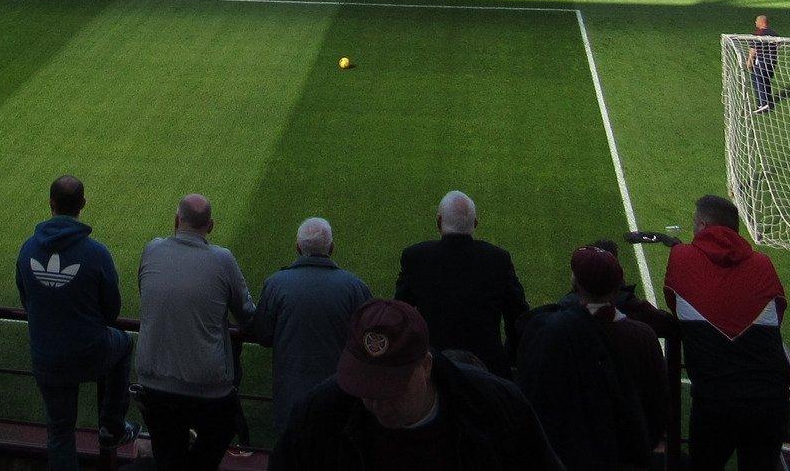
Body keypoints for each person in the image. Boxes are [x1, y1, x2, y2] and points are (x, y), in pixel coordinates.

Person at [271, 298, 562, 470]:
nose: (376, 402)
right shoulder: (319, 413)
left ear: (425, 365)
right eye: (364, 386)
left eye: (390, 388)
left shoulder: (497, 407)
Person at [16, 175, 139, 469]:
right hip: (90, 352)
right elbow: (111, 311)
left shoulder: (27, 249)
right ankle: (111, 424)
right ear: (83, 204)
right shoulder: (96, 253)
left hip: (47, 357)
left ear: (51, 203)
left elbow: (26, 300)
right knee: (124, 342)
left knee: (59, 432)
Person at [660, 196, 789, 471]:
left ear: (704, 225)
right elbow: (778, 312)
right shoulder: (763, 264)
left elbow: (674, 303)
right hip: (770, 401)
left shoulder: (681, 257)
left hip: (715, 402)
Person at [134, 194, 256, 469]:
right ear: (210, 226)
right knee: (221, 431)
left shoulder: (152, 249)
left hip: (153, 381)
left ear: (176, 221)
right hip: (206, 386)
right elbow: (247, 315)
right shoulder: (222, 259)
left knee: (167, 455)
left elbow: (147, 295)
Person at [513, 246, 660, 471]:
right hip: (620, 453)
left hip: (565, 451)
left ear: (575, 284)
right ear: (617, 288)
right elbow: (657, 406)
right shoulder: (642, 337)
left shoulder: (549, 330)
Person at [249, 218, 372, 440]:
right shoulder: (356, 287)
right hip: (339, 399)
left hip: (290, 399)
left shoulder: (276, 284)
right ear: (332, 248)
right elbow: (367, 343)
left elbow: (263, 335)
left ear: (298, 248)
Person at [396, 190, 529, 378]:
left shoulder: (416, 258)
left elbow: (399, 314)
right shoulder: (498, 260)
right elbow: (519, 317)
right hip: (488, 372)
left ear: (439, 222)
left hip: (433, 370)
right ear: (475, 223)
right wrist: (508, 359)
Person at [746, 15, 777, 114]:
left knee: (757, 80)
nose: (755, 23)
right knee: (766, 80)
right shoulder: (774, 34)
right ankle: (768, 101)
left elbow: (753, 49)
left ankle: (762, 104)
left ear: (761, 22)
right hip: (772, 61)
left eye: (756, 21)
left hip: (761, 60)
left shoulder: (758, 33)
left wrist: (749, 61)